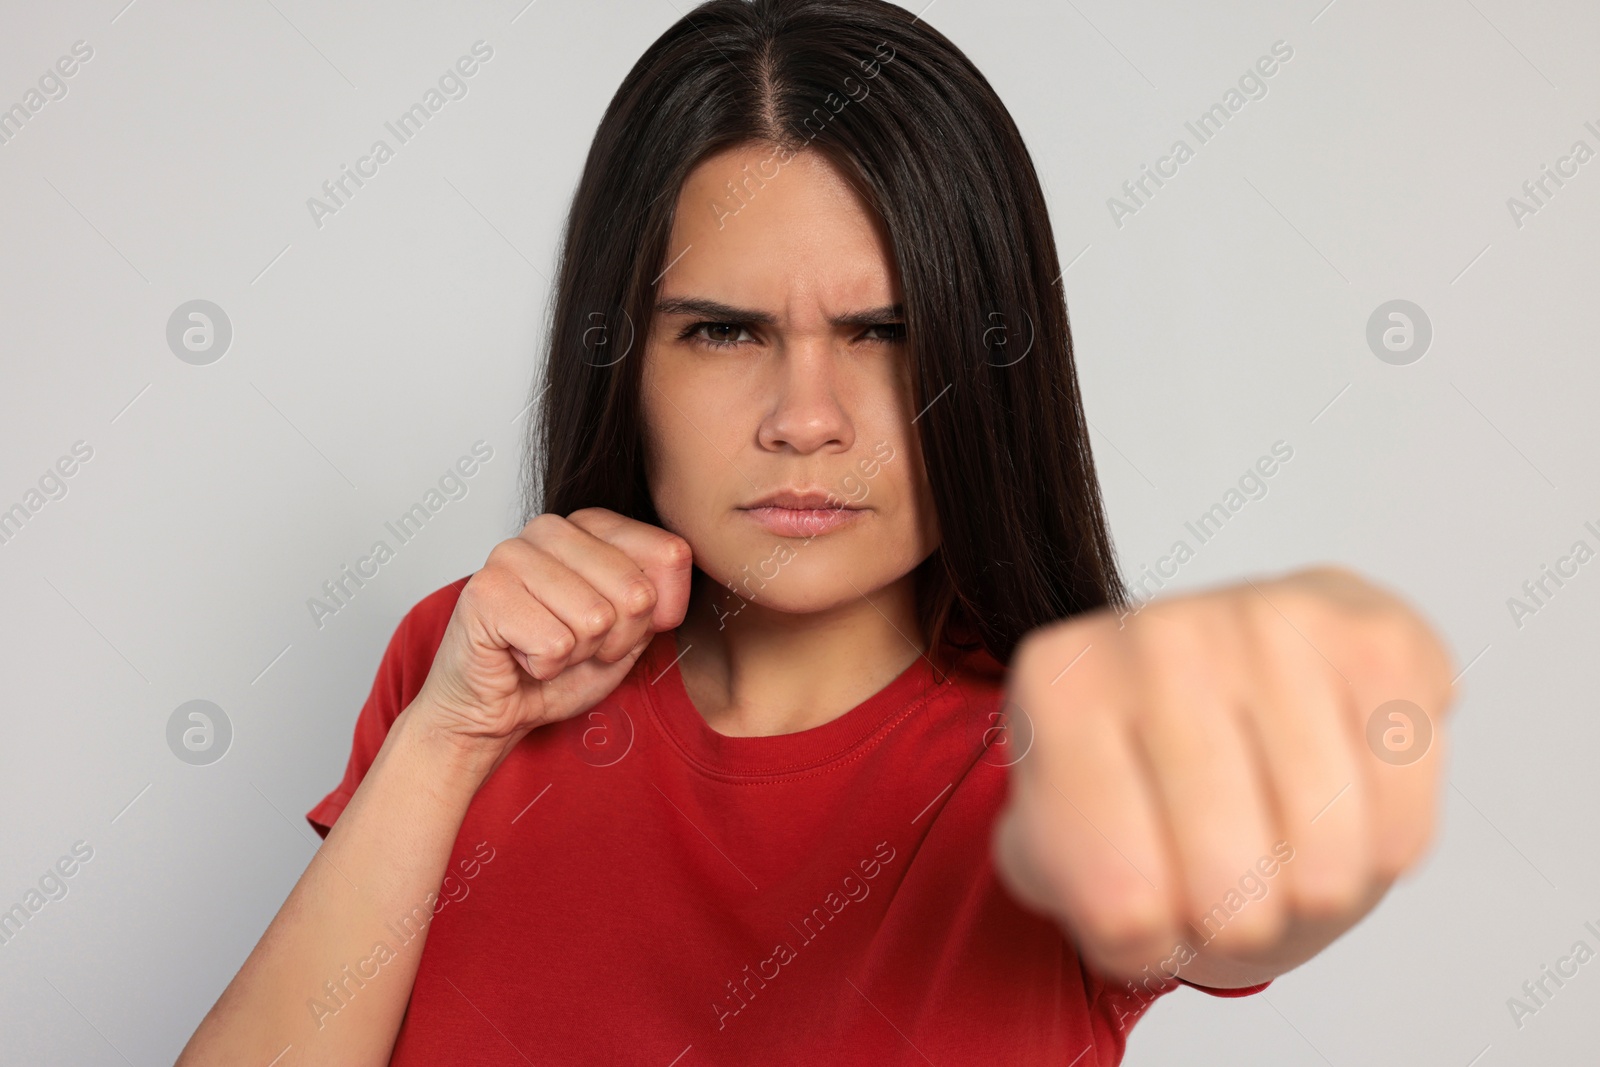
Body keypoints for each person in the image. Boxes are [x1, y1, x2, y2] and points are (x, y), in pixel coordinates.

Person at [176, 0, 1455, 1063]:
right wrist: (445, 736)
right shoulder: (470, 662)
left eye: (885, 335)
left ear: (990, 361)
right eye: (723, 331)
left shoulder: (1057, 740)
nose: (806, 418)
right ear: (624, 359)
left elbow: (1232, 899)